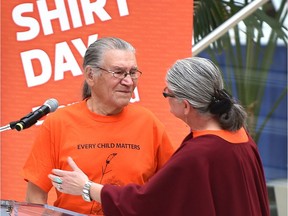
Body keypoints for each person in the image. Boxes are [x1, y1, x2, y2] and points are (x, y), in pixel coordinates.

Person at [48, 57, 270, 216]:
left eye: (167, 93)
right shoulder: (240, 136)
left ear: (185, 105)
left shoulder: (199, 154)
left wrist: (86, 188)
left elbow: (148, 202)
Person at [22, 37, 175, 215]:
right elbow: (35, 196)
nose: (128, 82)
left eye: (132, 72)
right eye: (118, 72)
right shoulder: (58, 123)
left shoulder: (149, 123)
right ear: (90, 75)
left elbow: (172, 189)